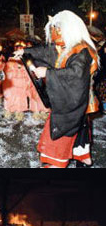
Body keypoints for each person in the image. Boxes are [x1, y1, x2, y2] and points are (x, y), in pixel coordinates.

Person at [14, 10, 99, 168]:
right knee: (79, 127)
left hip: (75, 99)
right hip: (74, 99)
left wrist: (48, 73)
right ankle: (83, 157)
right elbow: (46, 52)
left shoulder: (81, 50)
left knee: (64, 129)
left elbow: (75, 75)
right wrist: (25, 51)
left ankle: (56, 163)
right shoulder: (66, 46)